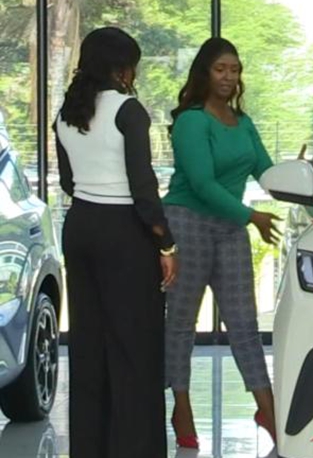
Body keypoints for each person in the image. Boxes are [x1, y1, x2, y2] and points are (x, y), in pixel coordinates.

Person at [54, 27, 178, 458]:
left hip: (80, 226)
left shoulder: (67, 113)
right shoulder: (128, 110)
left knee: (89, 345)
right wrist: (166, 244)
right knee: (135, 347)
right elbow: (143, 187)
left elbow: (68, 181)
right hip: (124, 232)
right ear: (122, 68)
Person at [163, 37, 281, 449]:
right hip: (187, 223)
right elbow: (202, 183)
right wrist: (252, 217)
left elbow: (267, 172)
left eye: (234, 69)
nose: (229, 77)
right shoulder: (192, 121)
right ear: (205, 73)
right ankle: (181, 405)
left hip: (230, 227)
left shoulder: (242, 122)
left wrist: (304, 179)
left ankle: (267, 409)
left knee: (244, 323)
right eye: (220, 69)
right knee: (182, 323)